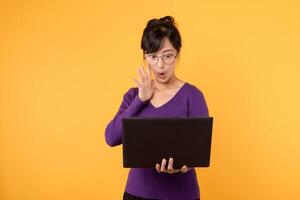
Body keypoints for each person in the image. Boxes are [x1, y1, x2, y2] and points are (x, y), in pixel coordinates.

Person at [105, 16, 209, 200]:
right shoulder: (133, 95)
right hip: (138, 194)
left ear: (177, 54)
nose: (160, 65)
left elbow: (198, 151)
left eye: (167, 56)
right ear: (145, 56)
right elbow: (111, 137)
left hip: (182, 195)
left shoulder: (193, 96)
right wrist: (140, 99)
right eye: (153, 57)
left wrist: (181, 167)